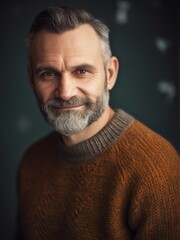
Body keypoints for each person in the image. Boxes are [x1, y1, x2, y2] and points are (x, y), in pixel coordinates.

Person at [16, 5, 180, 240]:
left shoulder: (157, 170)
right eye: (49, 74)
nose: (64, 93)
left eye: (81, 71)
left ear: (110, 74)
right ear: (32, 80)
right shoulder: (31, 162)